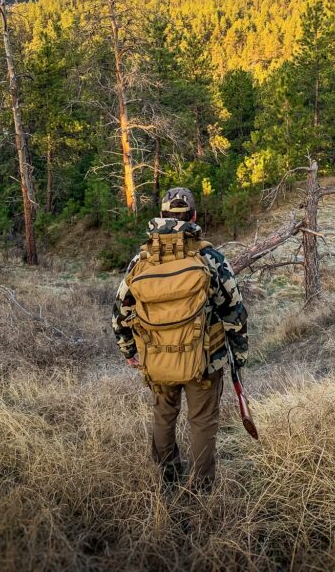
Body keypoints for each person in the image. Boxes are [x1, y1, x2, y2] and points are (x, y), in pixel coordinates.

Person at [112, 187, 249, 490]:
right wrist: (238, 357)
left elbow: (120, 310)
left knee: (164, 415)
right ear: (195, 216)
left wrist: (129, 351)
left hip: (157, 357)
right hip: (205, 359)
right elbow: (235, 311)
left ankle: (168, 476)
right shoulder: (210, 257)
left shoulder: (142, 259)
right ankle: (201, 487)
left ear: (161, 216)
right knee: (202, 421)